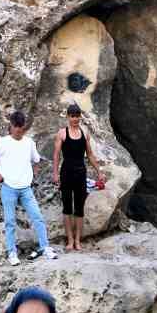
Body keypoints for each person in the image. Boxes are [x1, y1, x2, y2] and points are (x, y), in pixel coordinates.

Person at [0, 110, 55, 266]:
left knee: (37, 217)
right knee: (10, 221)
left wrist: (33, 175)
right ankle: (12, 253)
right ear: (11, 125)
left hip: (25, 188)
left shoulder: (29, 143)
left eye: (21, 127)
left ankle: (45, 247)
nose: (18, 130)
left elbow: (36, 160)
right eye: (16, 126)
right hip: (8, 187)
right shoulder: (3, 142)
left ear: (24, 126)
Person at [51, 103, 105, 253]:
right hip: (66, 174)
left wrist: (99, 171)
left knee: (79, 208)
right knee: (67, 207)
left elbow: (90, 155)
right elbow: (56, 155)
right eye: (72, 116)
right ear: (68, 117)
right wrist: (55, 173)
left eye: (77, 116)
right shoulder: (62, 133)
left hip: (81, 174)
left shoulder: (84, 133)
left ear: (80, 117)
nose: (75, 119)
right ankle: (69, 240)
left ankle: (77, 241)